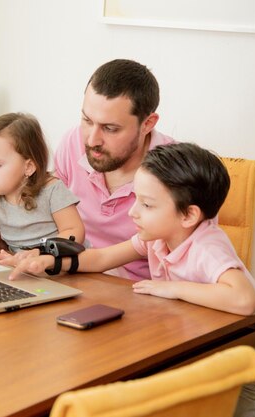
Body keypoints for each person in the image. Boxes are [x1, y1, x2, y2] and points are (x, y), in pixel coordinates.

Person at [0, 142, 255, 416]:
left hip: (247, 366)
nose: (134, 212)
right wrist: (48, 262)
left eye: (147, 205)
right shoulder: (157, 237)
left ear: (188, 215)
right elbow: (101, 258)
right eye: (137, 199)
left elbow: (244, 300)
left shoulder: (206, 246)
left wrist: (173, 288)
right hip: (205, 351)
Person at [54, 59, 175, 280]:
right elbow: (47, 213)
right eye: (87, 120)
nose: (92, 140)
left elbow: (190, 266)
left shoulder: (178, 170)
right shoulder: (72, 143)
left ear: (148, 124)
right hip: (73, 277)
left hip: (141, 295)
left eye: (110, 128)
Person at [0, 112, 84, 253]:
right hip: (24, 270)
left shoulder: (52, 191)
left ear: (28, 167)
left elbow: (74, 231)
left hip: (64, 268)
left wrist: (41, 252)